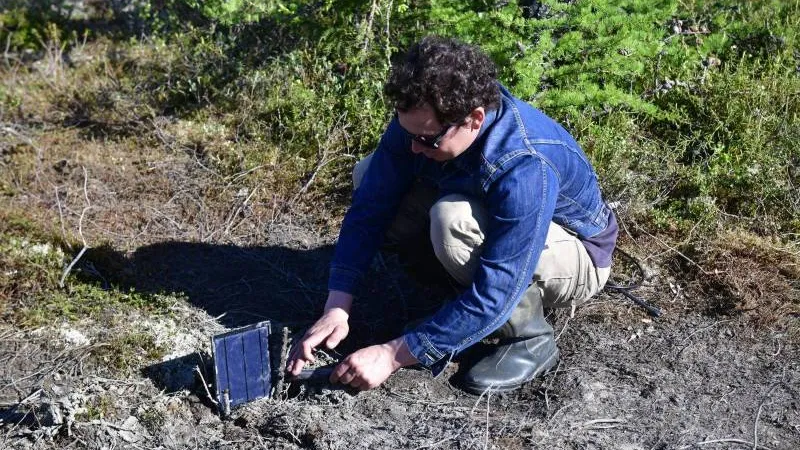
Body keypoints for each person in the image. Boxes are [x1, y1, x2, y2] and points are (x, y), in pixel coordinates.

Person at [285, 36, 618, 394]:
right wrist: (338, 305)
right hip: (496, 223)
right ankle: (454, 299)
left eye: (427, 140)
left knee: (452, 222)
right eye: (408, 132)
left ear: (474, 119)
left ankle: (530, 338)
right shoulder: (424, 122)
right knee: (368, 175)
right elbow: (371, 208)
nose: (413, 147)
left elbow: (499, 287)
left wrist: (393, 354)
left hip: (578, 256)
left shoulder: (523, 164)